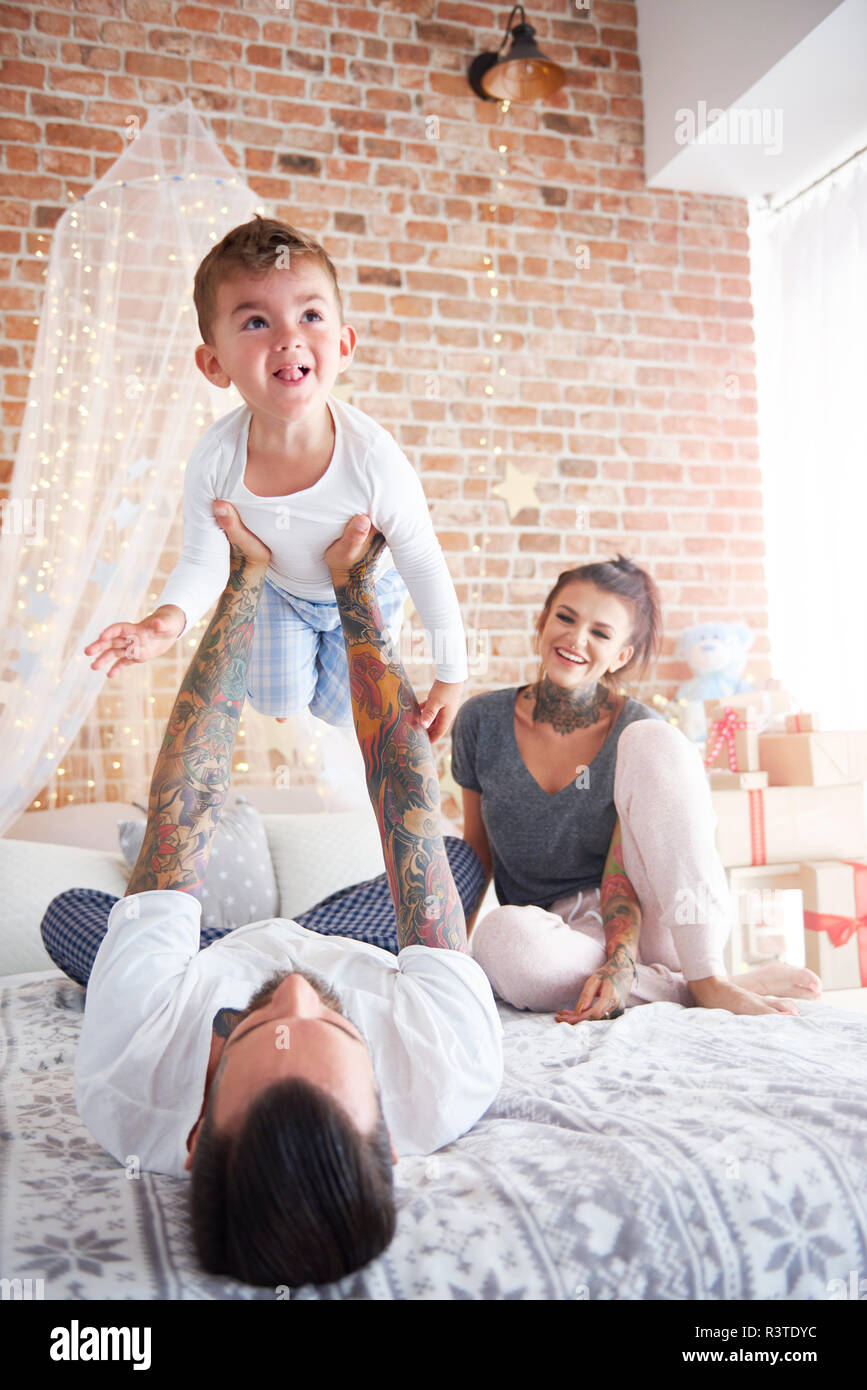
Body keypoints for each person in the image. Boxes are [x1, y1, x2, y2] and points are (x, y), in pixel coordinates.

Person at [44, 506, 502, 1289]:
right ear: (389, 1132)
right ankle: (218, 943)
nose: (291, 994)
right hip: (342, 941)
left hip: (199, 963)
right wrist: (353, 589)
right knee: (454, 862)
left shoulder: (127, 1075)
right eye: (332, 1024)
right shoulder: (449, 1067)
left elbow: (187, 800)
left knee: (66, 916)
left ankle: (197, 936)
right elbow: (407, 812)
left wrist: (243, 579)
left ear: (195, 1130)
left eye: (251, 1030)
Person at [82, 215, 467, 741]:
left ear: (345, 344)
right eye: (257, 322)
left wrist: (450, 675)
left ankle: (328, 669)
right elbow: (202, 559)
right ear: (214, 364)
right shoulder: (216, 458)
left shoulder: (373, 458)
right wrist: (164, 622)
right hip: (282, 592)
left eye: (310, 314)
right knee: (273, 698)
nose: (289, 337)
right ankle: (289, 675)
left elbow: (424, 561)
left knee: (341, 714)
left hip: (364, 589)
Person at [449, 555, 822, 1021]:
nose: (576, 638)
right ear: (542, 622)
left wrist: (622, 961)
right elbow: (475, 854)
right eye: (565, 618)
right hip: (554, 938)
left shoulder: (636, 729)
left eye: (601, 633)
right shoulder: (480, 721)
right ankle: (686, 991)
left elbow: (622, 868)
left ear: (621, 654)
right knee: (498, 940)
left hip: (643, 919)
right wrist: (450, 958)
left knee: (654, 737)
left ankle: (705, 975)